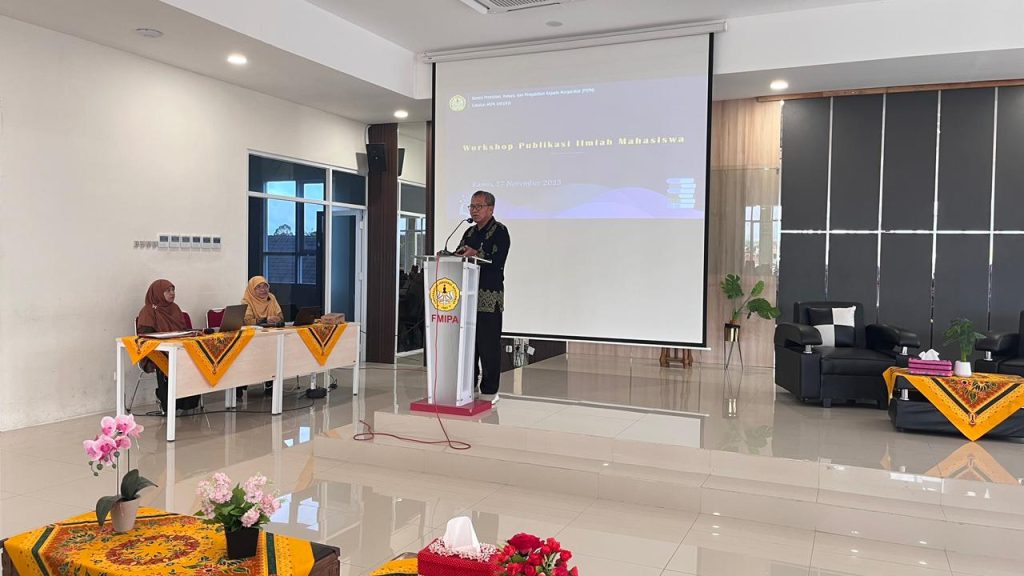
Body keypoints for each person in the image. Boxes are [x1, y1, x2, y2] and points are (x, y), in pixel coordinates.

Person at [456, 190, 511, 402]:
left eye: (478, 206)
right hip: (467, 296)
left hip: (489, 296)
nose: (474, 210)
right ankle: (468, 384)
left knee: (488, 345)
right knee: (468, 343)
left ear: (491, 209)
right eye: (472, 206)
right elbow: (460, 254)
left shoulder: (500, 231)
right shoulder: (469, 232)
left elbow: (497, 261)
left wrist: (476, 254)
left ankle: (490, 390)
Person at [136, 279, 195, 414]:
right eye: (168, 290)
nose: (172, 293)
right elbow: (145, 338)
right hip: (156, 352)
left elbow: (183, 331)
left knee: (195, 358)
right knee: (167, 362)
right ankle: (168, 402)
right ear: (157, 293)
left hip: (177, 347)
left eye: (173, 290)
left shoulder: (175, 308)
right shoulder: (148, 311)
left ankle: (188, 403)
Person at [241, 275, 281, 395]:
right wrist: (265, 319)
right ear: (252, 289)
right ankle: (242, 384)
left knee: (275, 352)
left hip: (271, 336)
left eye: (265, 286)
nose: (263, 290)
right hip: (252, 339)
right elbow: (247, 320)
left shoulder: (271, 298)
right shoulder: (246, 301)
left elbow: (280, 315)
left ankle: (270, 383)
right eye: (259, 287)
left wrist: (277, 319)